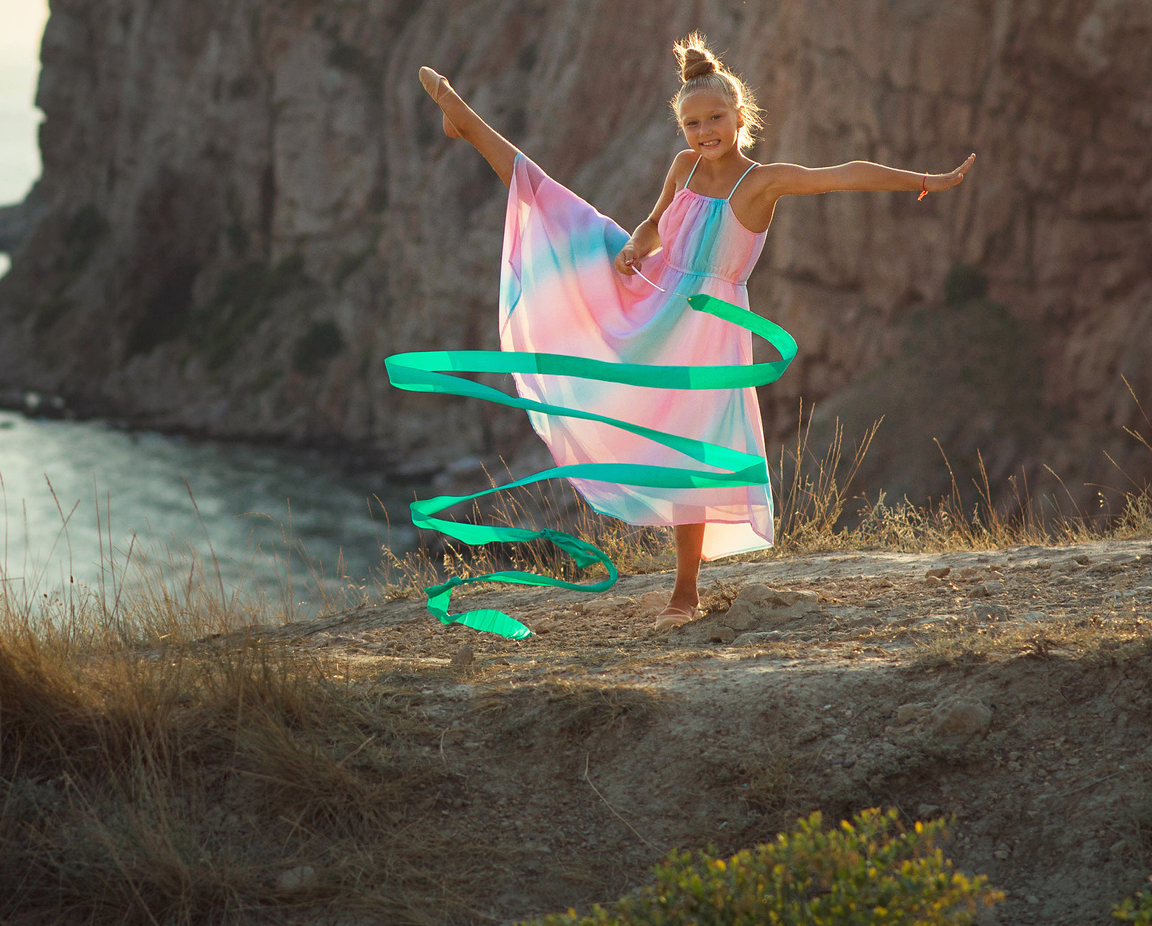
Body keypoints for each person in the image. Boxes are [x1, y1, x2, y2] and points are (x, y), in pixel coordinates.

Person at [416, 37, 974, 629]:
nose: (704, 131)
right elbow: (656, 226)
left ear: (741, 117)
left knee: (689, 454)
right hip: (651, 292)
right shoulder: (684, 166)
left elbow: (842, 175)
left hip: (705, 327)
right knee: (564, 215)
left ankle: (685, 595)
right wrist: (633, 246)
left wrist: (922, 180)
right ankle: (467, 120)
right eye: (691, 122)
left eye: (715, 119)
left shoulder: (763, 182)